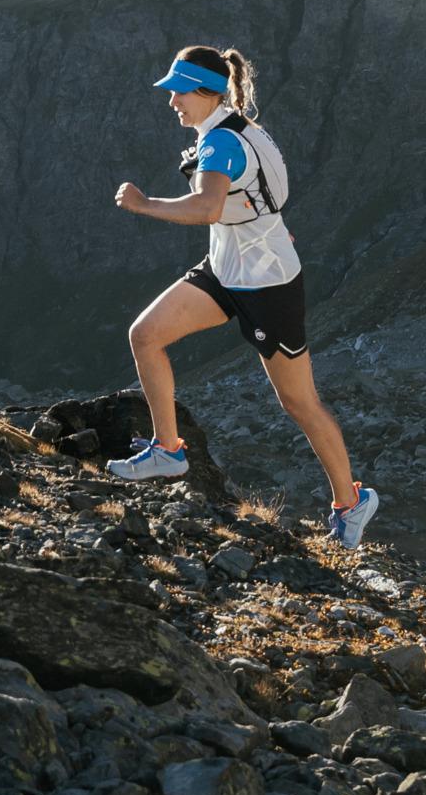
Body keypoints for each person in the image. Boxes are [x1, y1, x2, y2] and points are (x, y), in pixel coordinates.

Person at [109, 43, 379, 547]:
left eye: (179, 93)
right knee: (145, 335)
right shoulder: (235, 129)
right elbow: (255, 198)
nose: (172, 103)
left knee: (298, 402)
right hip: (226, 267)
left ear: (209, 92)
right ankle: (168, 449)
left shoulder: (221, 145)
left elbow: (209, 207)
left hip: (268, 285)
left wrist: (145, 205)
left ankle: (352, 502)